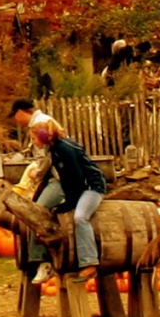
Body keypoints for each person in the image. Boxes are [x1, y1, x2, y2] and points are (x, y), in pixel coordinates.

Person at [28, 117, 107, 287]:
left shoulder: (65, 149)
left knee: (80, 217)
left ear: (43, 135)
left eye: (34, 138)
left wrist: (71, 202)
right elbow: (66, 180)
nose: (33, 142)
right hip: (81, 187)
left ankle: (90, 262)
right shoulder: (55, 149)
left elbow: (77, 179)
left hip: (92, 188)